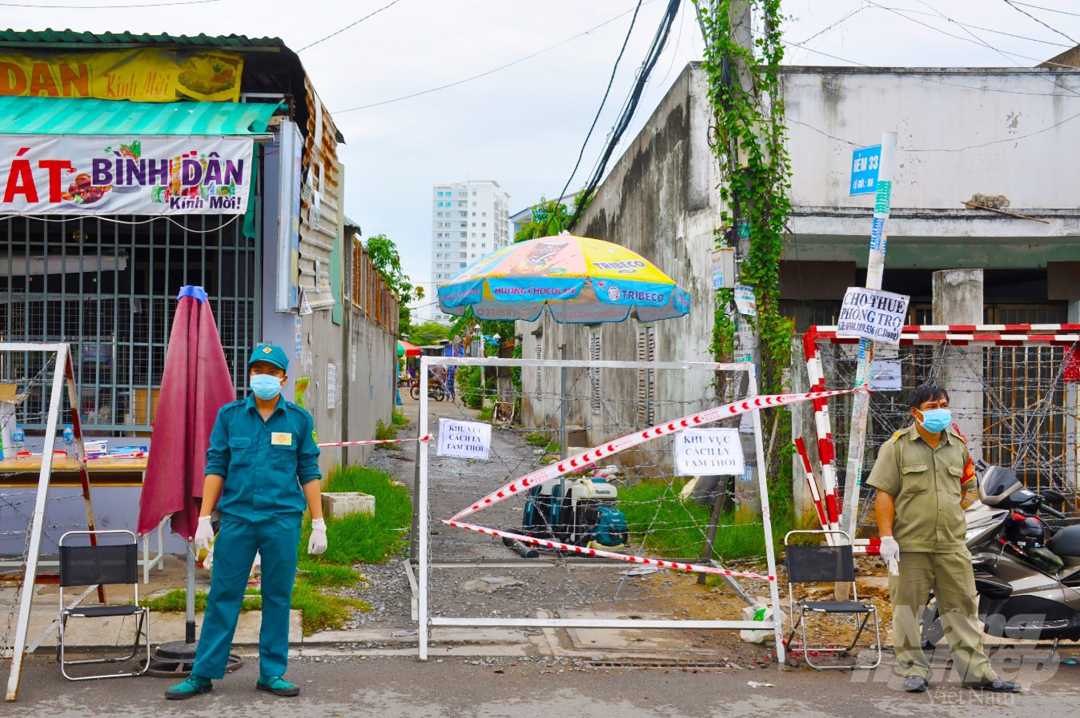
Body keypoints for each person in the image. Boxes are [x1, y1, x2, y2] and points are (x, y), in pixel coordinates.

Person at [166, 344, 327, 700]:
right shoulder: (230, 416)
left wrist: (319, 523)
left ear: (283, 379)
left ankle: (272, 673)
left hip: (282, 520)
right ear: (249, 374)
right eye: (258, 370)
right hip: (237, 519)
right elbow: (215, 467)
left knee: (277, 596)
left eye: (271, 372)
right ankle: (203, 673)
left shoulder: (299, 420)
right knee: (223, 594)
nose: (264, 377)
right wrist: (205, 517)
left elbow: (309, 471)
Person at [867, 383, 1020, 694]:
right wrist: (886, 537)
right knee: (908, 611)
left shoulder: (957, 446)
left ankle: (977, 673)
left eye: (943, 405)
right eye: (932, 407)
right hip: (910, 546)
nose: (940, 412)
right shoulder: (895, 448)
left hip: (952, 545)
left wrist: (949, 511)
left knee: (962, 609)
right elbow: (884, 495)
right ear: (915, 413)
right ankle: (914, 671)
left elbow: (968, 487)